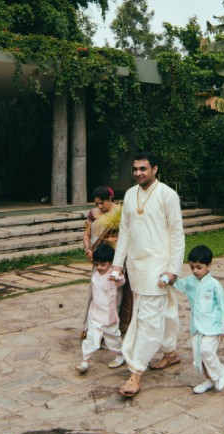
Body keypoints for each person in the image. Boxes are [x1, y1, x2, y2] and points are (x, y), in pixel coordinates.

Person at [112, 151, 185, 397]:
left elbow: (177, 233)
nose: (138, 173)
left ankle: (136, 372)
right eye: (135, 169)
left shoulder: (168, 195)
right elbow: (124, 232)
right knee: (165, 312)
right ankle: (171, 352)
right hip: (136, 266)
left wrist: (173, 268)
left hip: (159, 268)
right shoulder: (130, 195)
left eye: (143, 169)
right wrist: (116, 264)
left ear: (154, 169)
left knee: (148, 320)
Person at [173, 244, 224, 394]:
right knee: (198, 356)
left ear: (208, 266)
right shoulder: (190, 281)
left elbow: (223, 307)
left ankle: (219, 373)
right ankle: (209, 380)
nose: (195, 271)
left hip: (213, 326)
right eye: (192, 267)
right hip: (196, 327)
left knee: (207, 351)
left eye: (199, 267)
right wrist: (167, 276)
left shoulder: (214, 285)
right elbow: (178, 284)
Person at [82, 185, 133, 333]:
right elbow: (87, 234)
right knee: (96, 290)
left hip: (117, 258)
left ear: (110, 199)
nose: (99, 206)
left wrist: (116, 238)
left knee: (117, 292)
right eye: (96, 203)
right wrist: (88, 248)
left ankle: (118, 324)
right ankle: (92, 326)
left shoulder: (120, 212)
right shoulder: (93, 213)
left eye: (102, 202)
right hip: (100, 258)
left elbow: (128, 233)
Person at [77, 244, 127, 374]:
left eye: (103, 265)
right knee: (91, 338)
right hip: (95, 313)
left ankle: (120, 355)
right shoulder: (96, 275)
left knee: (113, 338)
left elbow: (122, 281)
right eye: (97, 264)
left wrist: (116, 276)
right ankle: (85, 360)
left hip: (108, 315)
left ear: (110, 263)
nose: (99, 267)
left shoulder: (113, 276)